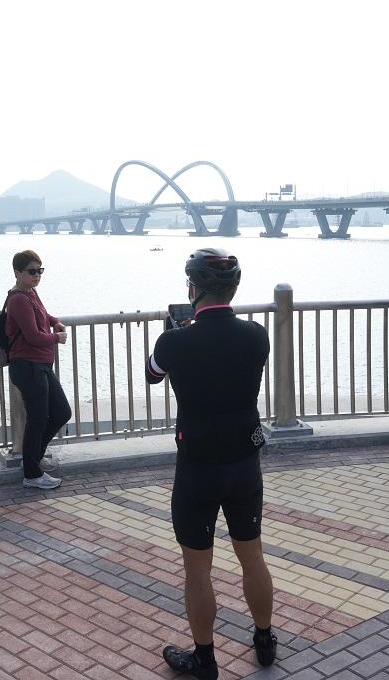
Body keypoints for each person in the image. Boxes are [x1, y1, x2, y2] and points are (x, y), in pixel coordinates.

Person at [146, 248, 277, 679]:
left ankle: (205, 658)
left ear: (193, 289)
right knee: (252, 555)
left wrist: (177, 331)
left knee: (197, 568)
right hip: (244, 463)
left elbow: (153, 373)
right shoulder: (258, 337)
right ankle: (264, 639)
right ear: (234, 288)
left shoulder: (174, 341)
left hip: (198, 466)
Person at [5, 249, 71, 490]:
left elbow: (44, 316)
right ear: (17, 273)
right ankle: (32, 473)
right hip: (28, 366)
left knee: (61, 412)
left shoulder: (31, 294)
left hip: (40, 365)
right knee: (38, 419)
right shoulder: (19, 299)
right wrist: (57, 338)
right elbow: (33, 336)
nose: (37, 276)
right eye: (32, 272)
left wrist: (54, 322)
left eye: (39, 271)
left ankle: (34, 458)